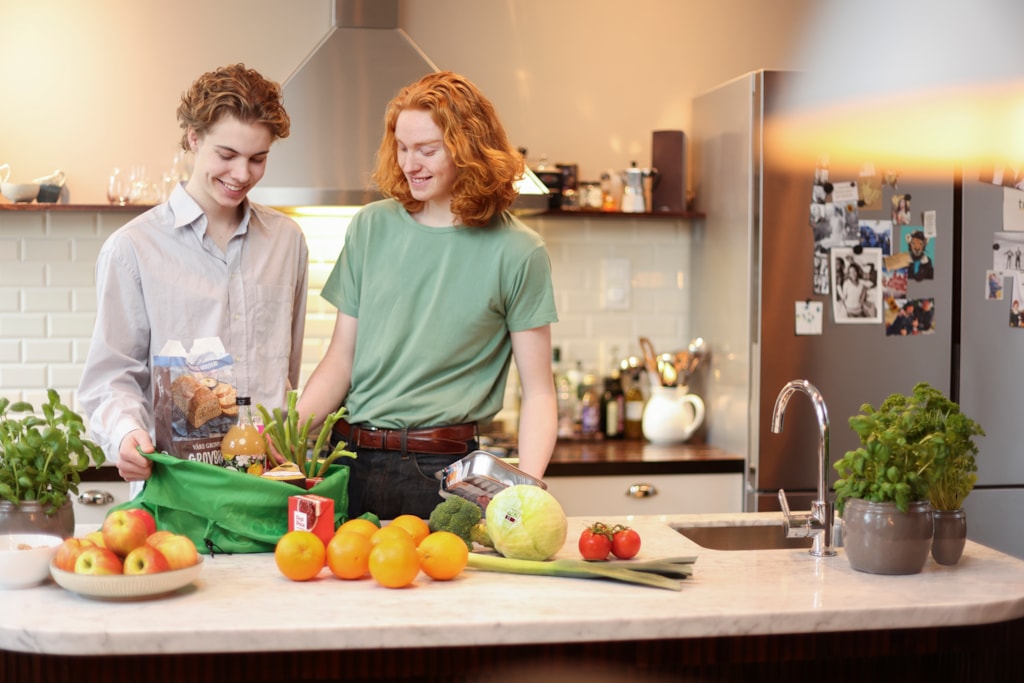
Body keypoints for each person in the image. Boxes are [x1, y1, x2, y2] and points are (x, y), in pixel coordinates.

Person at [297, 71, 559, 521]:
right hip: (348, 460)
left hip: (442, 472)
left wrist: (527, 493)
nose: (409, 163)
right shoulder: (370, 227)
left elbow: (539, 393)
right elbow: (341, 359)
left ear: (468, 149)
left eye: (427, 150)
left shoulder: (518, 251)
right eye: (402, 147)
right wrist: (284, 437)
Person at [78, 64, 308, 488]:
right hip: (178, 488)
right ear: (193, 138)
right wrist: (126, 434)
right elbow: (110, 377)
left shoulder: (287, 241)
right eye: (227, 155)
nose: (242, 174)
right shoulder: (133, 249)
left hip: (269, 486)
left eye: (257, 159)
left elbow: (287, 370)